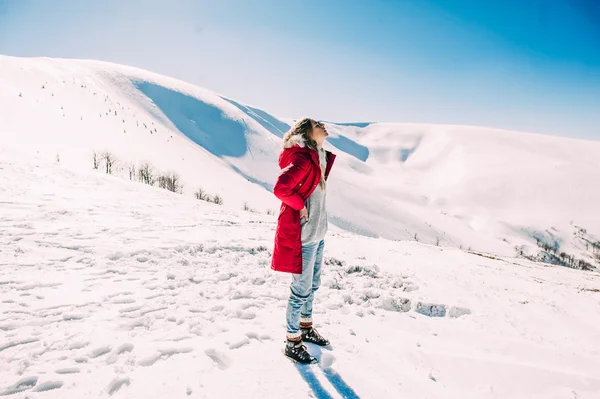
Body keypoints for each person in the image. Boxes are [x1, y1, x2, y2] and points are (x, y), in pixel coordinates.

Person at [271, 118, 337, 364]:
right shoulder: (302, 158)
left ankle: (305, 328)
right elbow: (281, 188)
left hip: (318, 234)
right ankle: (292, 341)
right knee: (300, 290)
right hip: (306, 235)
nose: (323, 125)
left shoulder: (317, 155)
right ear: (308, 132)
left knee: (313, 285)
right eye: (318, 124)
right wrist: (299, 207)